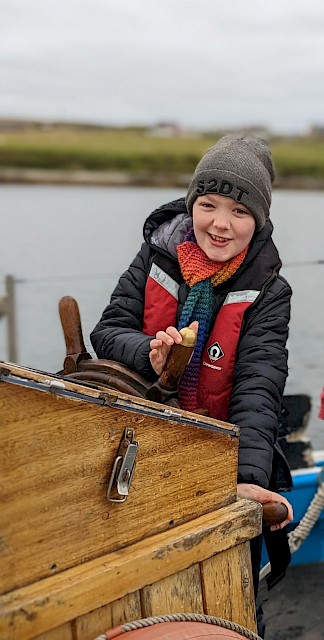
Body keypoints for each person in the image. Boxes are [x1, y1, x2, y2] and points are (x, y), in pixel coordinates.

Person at [90, 135, 293, 635]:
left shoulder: (270, 291)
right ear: (191, 204)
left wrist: (249, 479)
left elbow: (258, 389)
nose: (220, 224)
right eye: (208, 205)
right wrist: (149, 354)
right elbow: (106, 331)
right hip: (147, 448)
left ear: (259, 221)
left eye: (239, 211)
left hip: (221, 455)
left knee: (232, 595)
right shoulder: (154, 258)